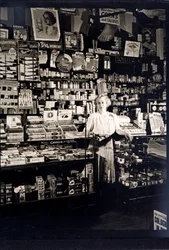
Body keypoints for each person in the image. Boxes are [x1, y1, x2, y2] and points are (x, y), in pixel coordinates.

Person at [85, 94, 132, 184]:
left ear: (106, 103)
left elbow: (118, 130)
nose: (101, 105)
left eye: (103, 102)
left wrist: (126, 133)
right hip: (97, 143)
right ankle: (97, 188)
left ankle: (107, 188)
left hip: (108, 143)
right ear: (96, 104)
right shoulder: (93, 116)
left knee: (108, 166)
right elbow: (87, 131)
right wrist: (94, 135)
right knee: (98, 168)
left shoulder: (112, 116)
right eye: (99, 103)